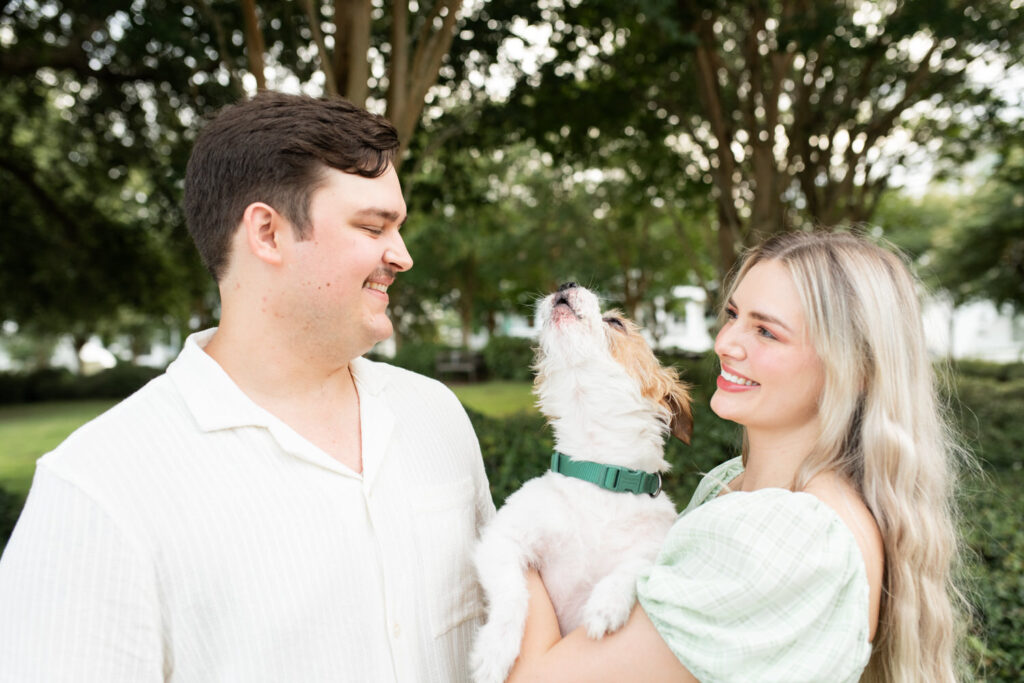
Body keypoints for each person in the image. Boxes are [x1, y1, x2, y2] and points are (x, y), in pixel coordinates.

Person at [0, 91, 494, 682]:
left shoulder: (434, 414)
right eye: (372, 226)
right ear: (267, 232)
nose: (403, 256)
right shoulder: (98, 489)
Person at [504, 230, 967, 682]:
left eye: (767, 331)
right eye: (733, 315)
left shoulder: (791, 535)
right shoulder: (735, 483)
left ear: (856, 369)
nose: (725, 344)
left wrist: (520, 540)